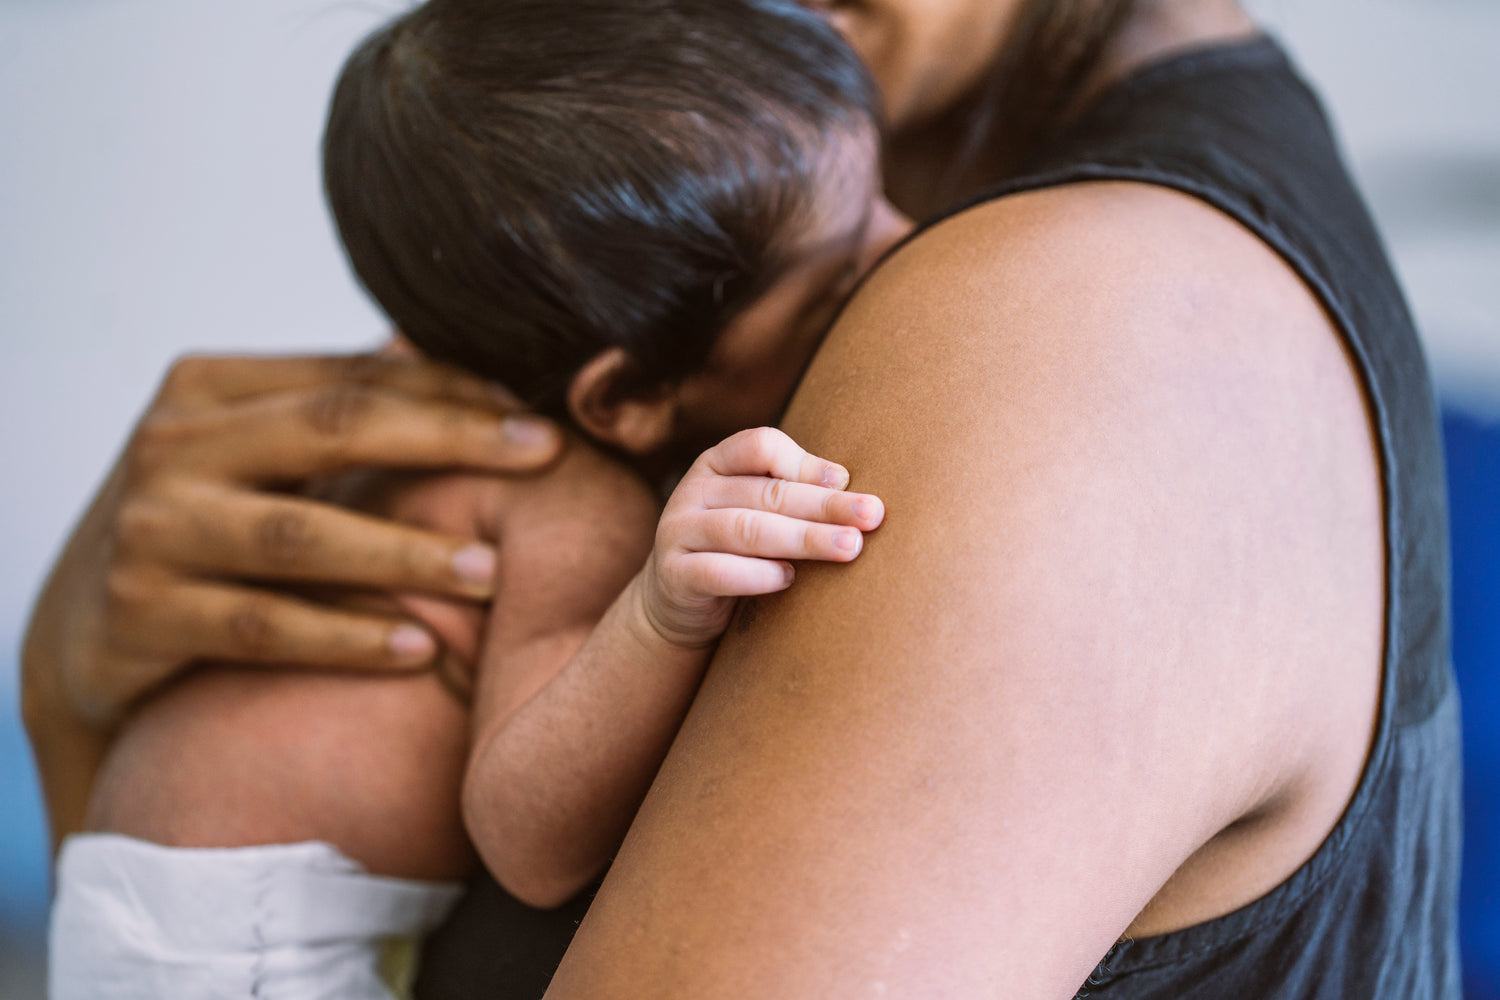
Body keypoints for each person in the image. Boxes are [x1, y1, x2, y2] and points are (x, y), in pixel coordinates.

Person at [24, 0, 1462, 997]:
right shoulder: (700, 219)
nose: (897, 248)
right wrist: (68, 693)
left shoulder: (1071, 321)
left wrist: (82, 754)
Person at [44, 1, 905, 995]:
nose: (913, 242)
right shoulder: (558, 492)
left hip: (147, 907)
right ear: (624, 398)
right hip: (249, 954)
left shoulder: (413, 389)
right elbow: (528, 842)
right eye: (838, 284)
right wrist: (658, 618)